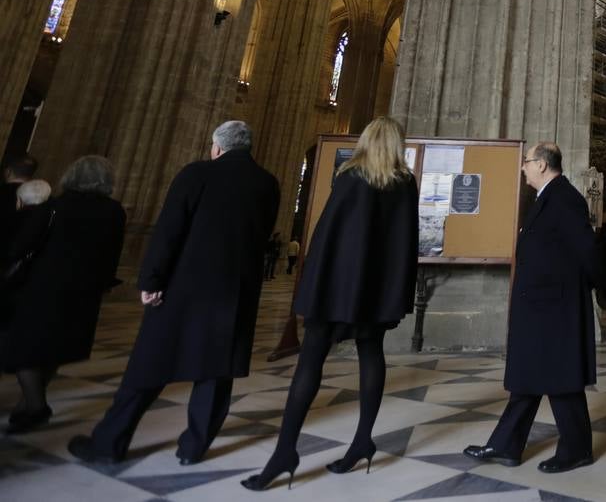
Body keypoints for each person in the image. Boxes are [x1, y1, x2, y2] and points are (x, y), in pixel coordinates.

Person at [68, 121, 280, 464]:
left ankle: (109, 443)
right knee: (215, 372)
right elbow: (263, 236)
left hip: (184, 287)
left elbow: (169, 230)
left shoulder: (196, 174)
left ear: (217, 147)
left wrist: (151, 280)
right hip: (234, 292)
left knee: (149, 364)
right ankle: (193, 449)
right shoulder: (268, 183)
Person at [242, 116, 418, 490]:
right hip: (377, 291)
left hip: (338, 288)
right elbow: (405, 241)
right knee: (372, 354)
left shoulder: (351, 176)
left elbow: (327, 234)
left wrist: (311, 288)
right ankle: (361, 441)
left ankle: (285, 452)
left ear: (366, 141)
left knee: (311, 360)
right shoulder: (405, 183)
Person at [464, 141, 600, 473]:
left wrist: (595, 293)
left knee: (560, 381)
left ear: (541, 164)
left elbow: (587, 252)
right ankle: (506, 445)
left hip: (555, 308)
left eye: (526, 162)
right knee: (529, 379)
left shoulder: (565, 198)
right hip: (540, 306)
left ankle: (577, 449)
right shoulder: (545, 198)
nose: (522, 167)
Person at [1, 155, 125, 433]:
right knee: (56, 347)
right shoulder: (115, 211)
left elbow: (22, 245)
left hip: (44, 287)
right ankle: (29, 403)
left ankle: (35, 405)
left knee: (23, 348)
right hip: (84, 290)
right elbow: (111, 254)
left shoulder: (55, 206)